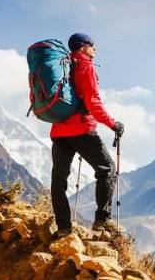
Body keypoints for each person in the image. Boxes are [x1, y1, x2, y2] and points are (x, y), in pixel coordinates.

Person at [50, 32, 125, 237]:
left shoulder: (61, 65)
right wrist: (113, 124)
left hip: (59, 131)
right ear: (83, 47)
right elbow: (93, 102)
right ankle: (102, 222)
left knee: (59, 180)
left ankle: (63, 228)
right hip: (82, 129)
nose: (95, 49)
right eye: (92, 45)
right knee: (107, 169)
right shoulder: (85, 66)